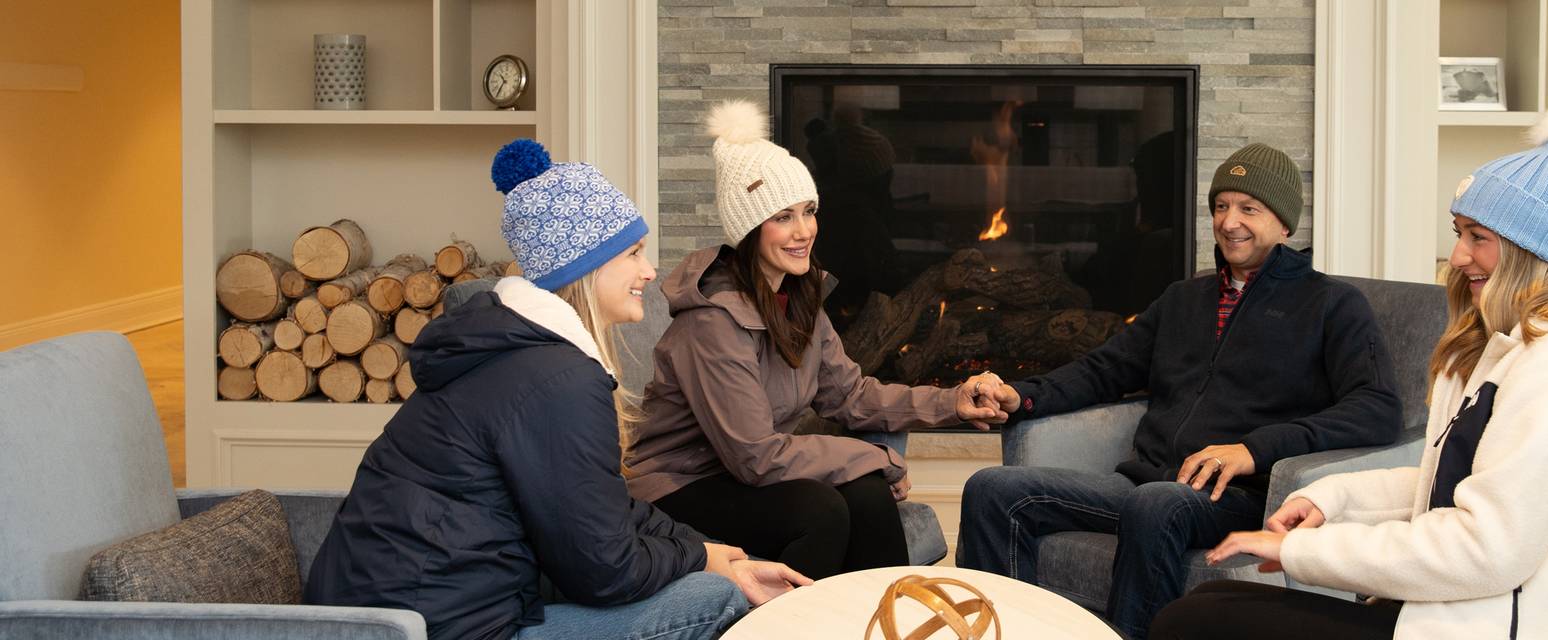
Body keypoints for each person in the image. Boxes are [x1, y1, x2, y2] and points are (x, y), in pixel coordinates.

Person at [1152, 102, 1548, 640]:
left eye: (1477, 237)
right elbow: (1455, 483)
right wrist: (1333, 499)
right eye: (1458, 232)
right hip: (1453, 609)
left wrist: (1305, 551)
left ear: (1529, 251)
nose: (1457, 257)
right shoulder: (1505, 344)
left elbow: (1488, 549)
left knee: (1194, 622)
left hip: (1504, 625)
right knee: (1210, 599)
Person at [305, 139, 808, 640]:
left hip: (400, 608)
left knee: (715, 578)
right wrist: (704, 565)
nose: (649, 272)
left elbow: (602, 509)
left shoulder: (512, 350)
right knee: (713, 599)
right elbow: (607, 571)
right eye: (633, 254)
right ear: (585, 266)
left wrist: (708, 551)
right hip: (437, 627)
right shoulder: (558, 379)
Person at [957, 141, 1404, 639]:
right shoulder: (1183, 298)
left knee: (1159, 503)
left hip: (1234, 496)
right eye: (1220, 206)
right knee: (992, 489)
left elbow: (1377, 408)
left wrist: (1254, 450)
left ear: (1284, 224)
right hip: (1142, 482)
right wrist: (1023, 396)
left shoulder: (1331, 304)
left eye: (1248, 208)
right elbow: (1106, 369)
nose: (1229, 221)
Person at [624, 101, 1009, 580]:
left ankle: (880, 625)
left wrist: (952, 402)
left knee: (866, 496)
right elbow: (756, 458)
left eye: (809, 211)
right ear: (748, 229)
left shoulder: (797, 297)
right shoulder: (712, 324)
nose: (803, 231)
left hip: (739, 470)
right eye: (783, 217)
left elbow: (849, 394)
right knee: (822, 510)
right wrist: (876, 457)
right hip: (681, 482)